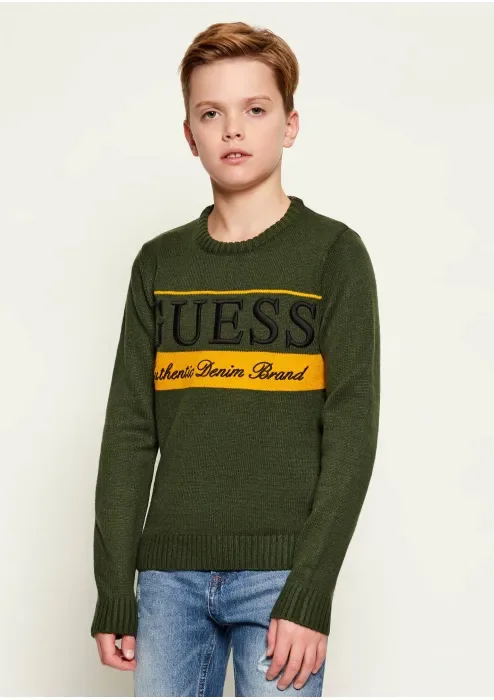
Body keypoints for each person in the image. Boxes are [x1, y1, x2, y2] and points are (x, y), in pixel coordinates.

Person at [90, 20, 381, 697]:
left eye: (255, 109)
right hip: (167, 580)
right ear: (189, 134)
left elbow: (351, 430)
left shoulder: (333, 256)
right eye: (211, 113)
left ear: (290, 124)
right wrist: (115, 589)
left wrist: (310, 590)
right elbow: (129, 431)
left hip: (281, 576)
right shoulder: (160, 264)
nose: (232, 130)